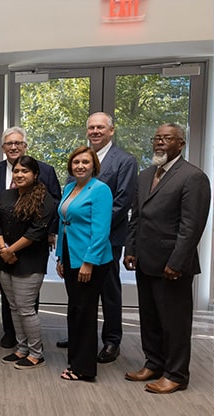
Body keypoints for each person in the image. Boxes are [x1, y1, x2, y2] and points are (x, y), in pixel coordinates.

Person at [124, 123, 211, 394]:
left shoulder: (192, 177)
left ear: (180, 144)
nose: (160, 142)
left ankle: (176, 374)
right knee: (149, 318)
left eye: (167, 138)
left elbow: (192, 226)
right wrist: (131, 249)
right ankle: (154, 363)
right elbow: (136, 216)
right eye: (157, 137)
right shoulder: (145, 174)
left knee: (175, 322)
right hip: (145, 261)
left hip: (172, 264)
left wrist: (177, 262)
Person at [57, 113, 137, 364]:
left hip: (107, 239)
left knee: (108, 290)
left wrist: (95, 229)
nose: (95, 131)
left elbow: (122, 202)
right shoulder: (80, 159)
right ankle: (82, 335)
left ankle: (112, 340)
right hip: (75, 240)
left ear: (111, 130)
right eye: (91, 127)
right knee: (80, 294)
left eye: (100, 127)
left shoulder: (125, 160)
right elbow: (70, 201)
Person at [0, 127, 61, 348]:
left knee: (26, 299)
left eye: (19, 143)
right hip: (2, 245)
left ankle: (31, 342)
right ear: (3, 147)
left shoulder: (44, 170)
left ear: (25, 146)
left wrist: (50, 232)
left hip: (31, 245)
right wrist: (0, 245)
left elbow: (55, 202)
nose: (14, 147)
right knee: (8, 296)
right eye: (9, 143)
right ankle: (11, 334)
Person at [0, 156, 57, 369]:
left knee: (26, 308)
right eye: (17, 171)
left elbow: (36, 232)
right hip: (5, 259)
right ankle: (22, 348)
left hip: (29, 261)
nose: (19, 175)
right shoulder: (6, 195)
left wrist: (10, 250)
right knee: (13, 307)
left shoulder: (44, 199)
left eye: (25, 171)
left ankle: (37, 354)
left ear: (35, 175)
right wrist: (3, 249)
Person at [55, 146, 113, 382]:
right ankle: (74, 359)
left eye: (85, 162)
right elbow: (63, 224)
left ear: (93, 166)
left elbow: (101, 231)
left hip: (91, 260)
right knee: (74, 309)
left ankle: (85, 369)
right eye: (76, 162)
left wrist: (89, 262)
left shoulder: (100, 190)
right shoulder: (69, 188)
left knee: (85, 312)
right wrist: (59, 256)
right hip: (70, 256)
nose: (80, 166)